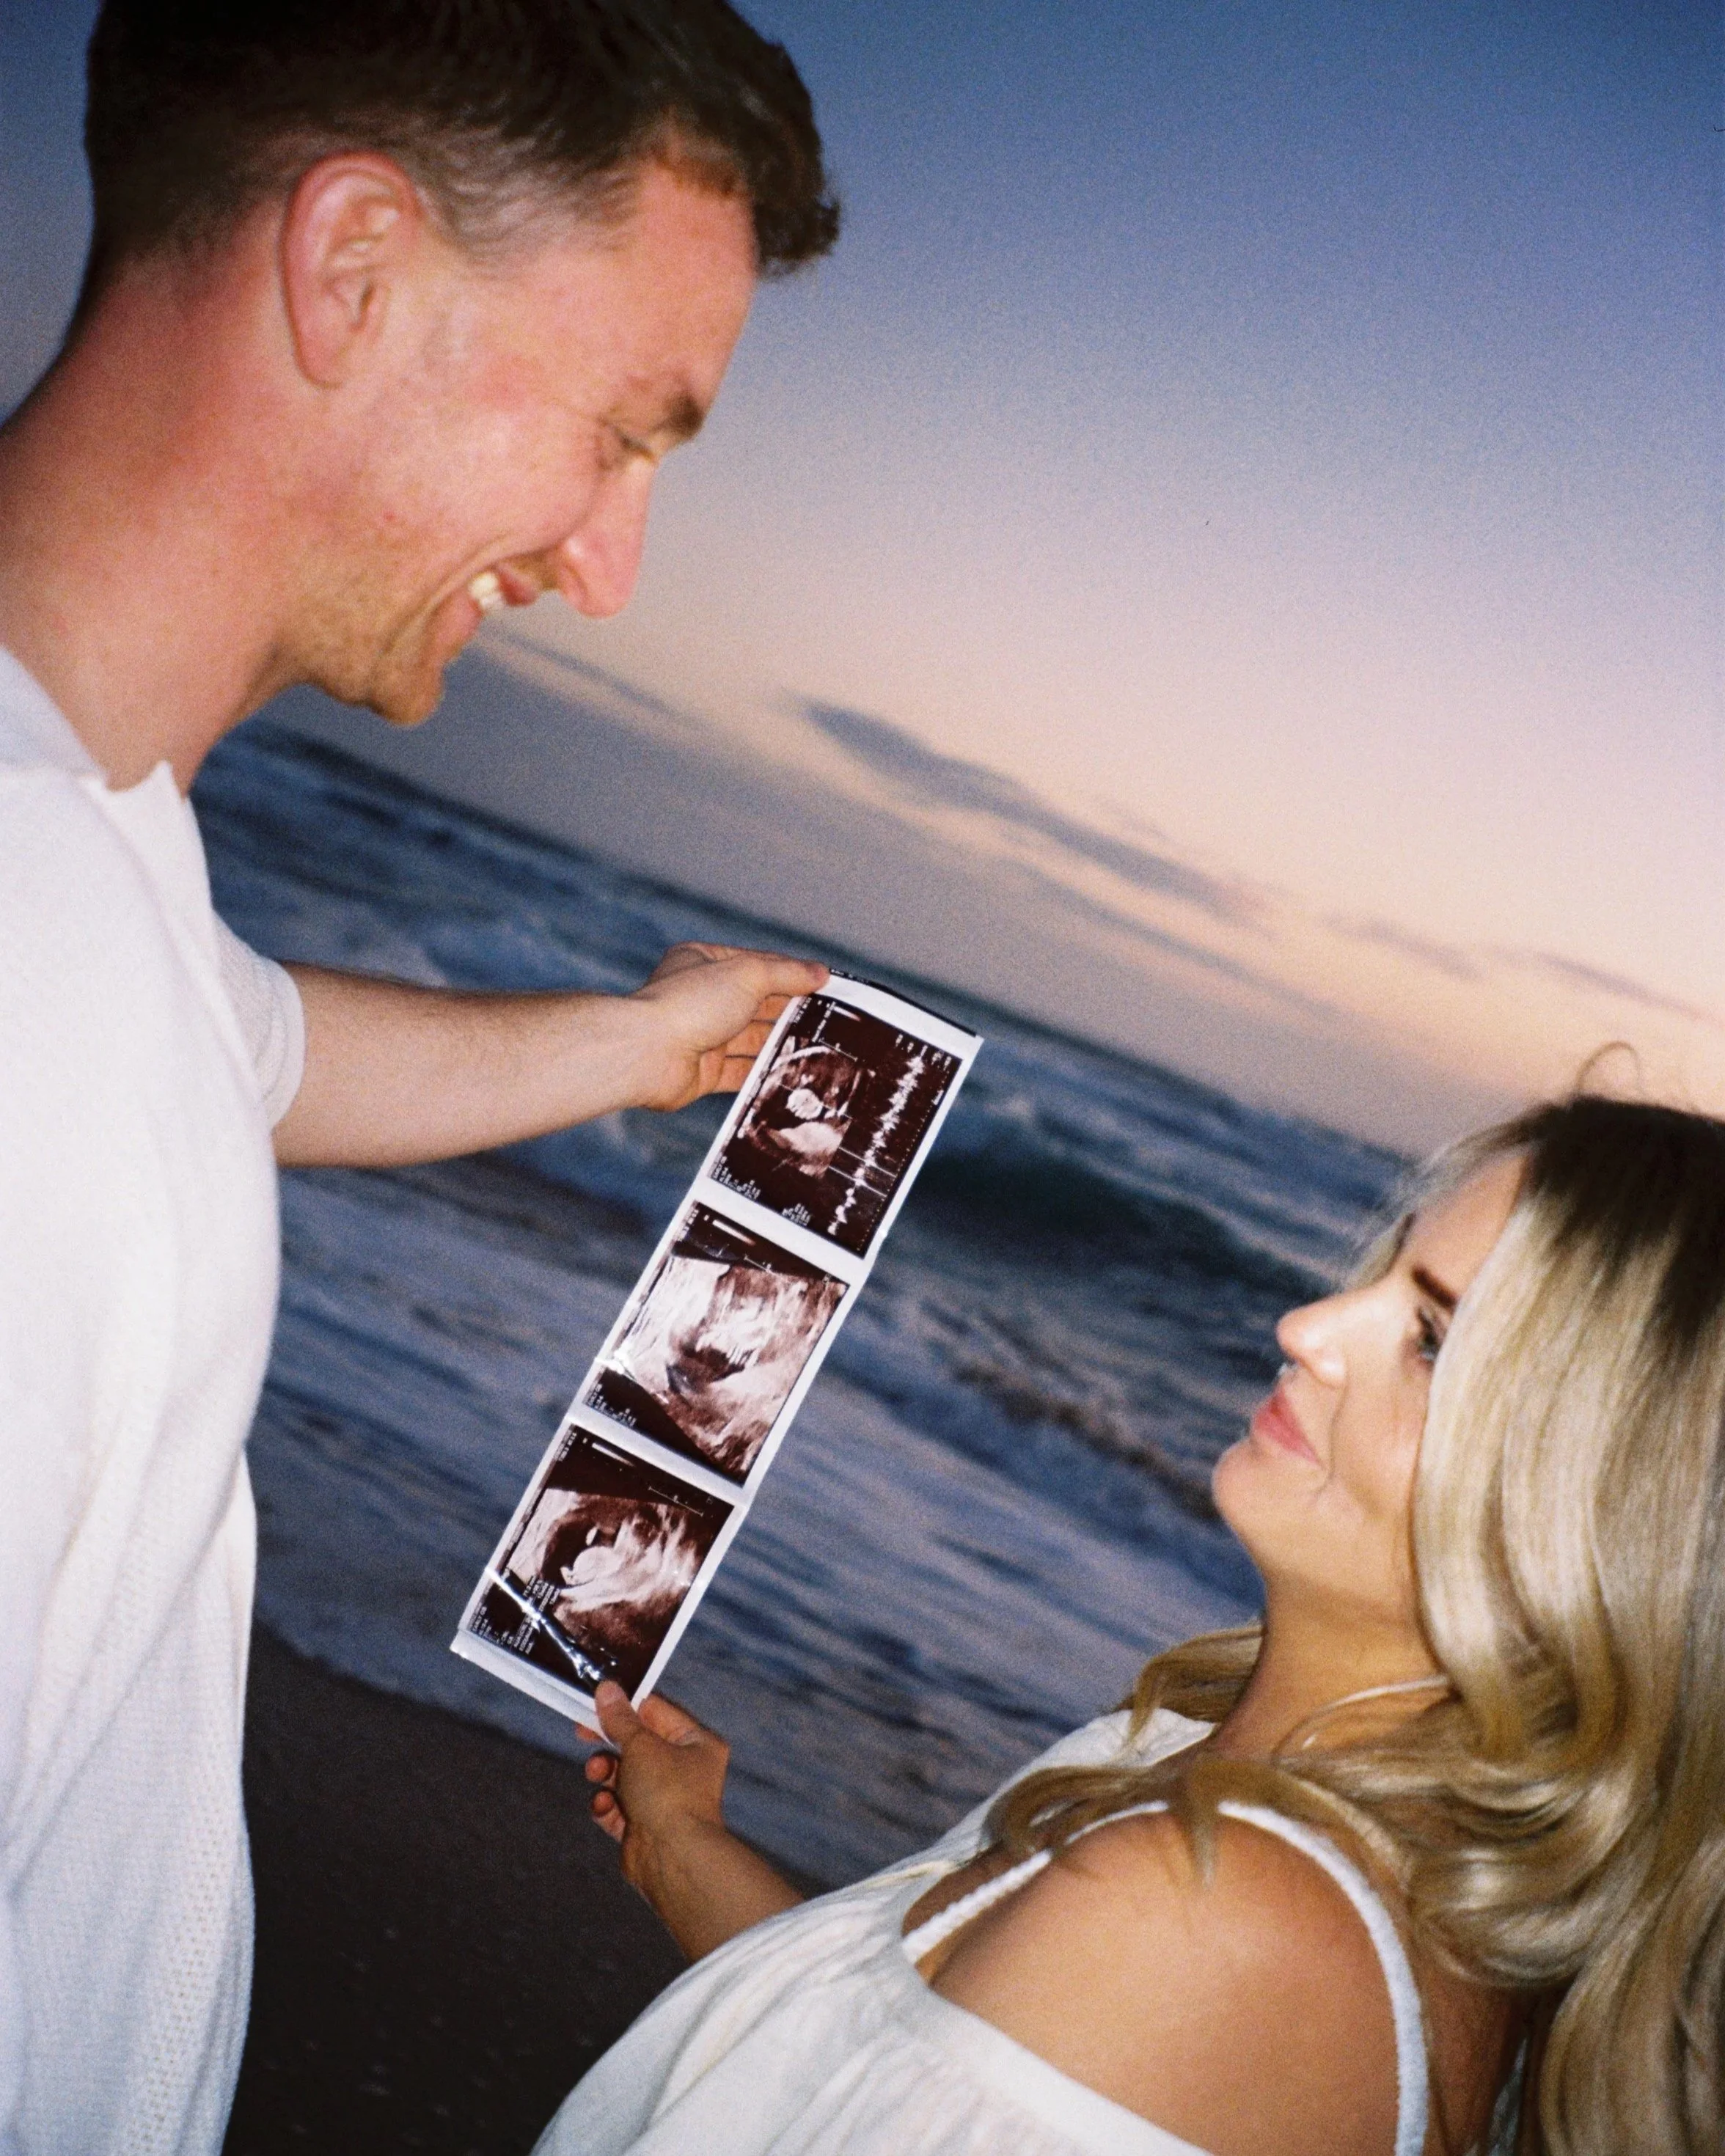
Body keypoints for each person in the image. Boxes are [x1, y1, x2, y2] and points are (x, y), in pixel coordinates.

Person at [0, 1, 837, 2147]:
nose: (608, 568)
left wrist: (643, 1045)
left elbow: (238, 1038)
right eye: (625, 432)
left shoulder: (93, 845)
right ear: (353, 268)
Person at [562, 1093, 1725, 2156]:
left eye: (1431, 1341)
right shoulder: (1258, 1789)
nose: (1308, 1326)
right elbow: (873, 2077)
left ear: (1589, 1517)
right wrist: (684, 1850)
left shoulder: (1207, 1906)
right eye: (1384, 1278)